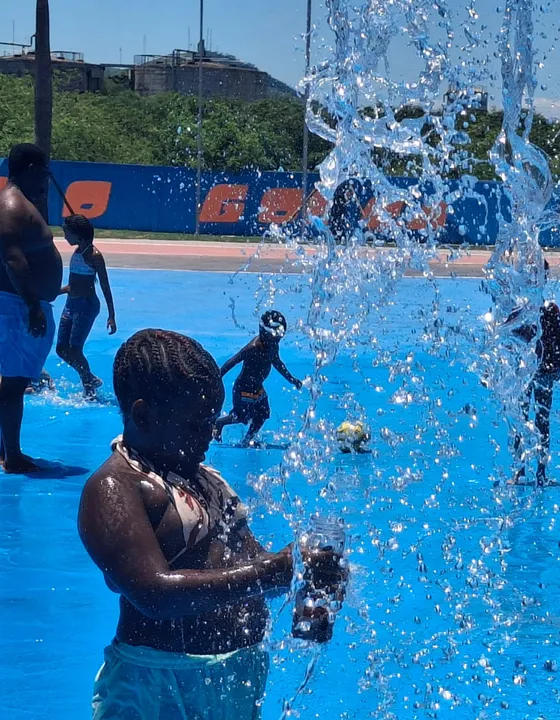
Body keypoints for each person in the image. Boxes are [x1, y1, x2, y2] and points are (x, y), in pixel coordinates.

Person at [77, 329, 346, 720]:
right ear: (143, 416)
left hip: (236, 673)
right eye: (195, 424)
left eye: (211, 419)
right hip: (159, 684)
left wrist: (308, 580)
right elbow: (152, 594)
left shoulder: (208, 480)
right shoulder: (116, 488)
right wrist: (275, 571)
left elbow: (252, 563)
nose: (211, 432)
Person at [0, 143, 62, 473]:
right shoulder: (12, 205)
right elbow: (12, 258)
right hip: (16, 307)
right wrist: (32, 306)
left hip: (17, 305)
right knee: (13, 384)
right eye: (46, 171)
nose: (48, 178)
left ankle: (5, 448)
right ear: (32, 169)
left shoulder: (21, 203)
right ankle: (13, 456)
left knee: (11, 382)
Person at [511, 260, 560, 486]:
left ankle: (540, 471)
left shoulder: (549, 308)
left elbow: (558, 342)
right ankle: (520, 470)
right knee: (520, 421)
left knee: (540, 421)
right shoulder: (517, 309)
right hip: (525, 373)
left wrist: (556, 368)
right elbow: (507, 341)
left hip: (541, 372)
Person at [214, 311, 303, 446]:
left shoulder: (273, 346)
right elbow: (233, 361)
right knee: (241, 417)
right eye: (276, 335)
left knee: (264, 413)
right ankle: (220, 423)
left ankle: (247, 439)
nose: (278, 339)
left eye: (280, 335)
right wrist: (216, 378)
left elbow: (277, 363)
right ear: (264, 332)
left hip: (257, 387)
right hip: (243, 388)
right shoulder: (253, 348)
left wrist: (291, 379)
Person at [56, 214, 117, 398]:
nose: (65, 237)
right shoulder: (76, 252)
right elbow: (72, 284)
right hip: (70, 304)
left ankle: (89, 389)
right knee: (61, 349)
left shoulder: (94, 256)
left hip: (86, 306)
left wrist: (111, 315)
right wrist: (53, 292)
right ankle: (89, 377)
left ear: (78, 235)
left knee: (75, 349)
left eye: (67, 233)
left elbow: (105, 286)